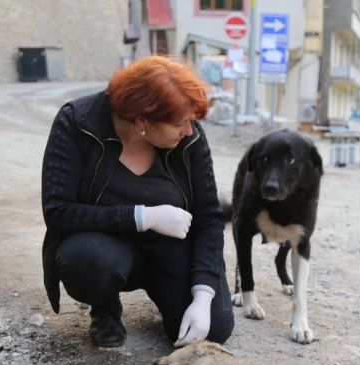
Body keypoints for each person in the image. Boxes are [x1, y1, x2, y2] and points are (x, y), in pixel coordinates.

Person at [41, 56, 234, 348]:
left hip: (170, 248)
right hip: (105, 248)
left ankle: (173, 296)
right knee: (86, 261)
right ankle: (105, 305)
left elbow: (208, 216)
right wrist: (144, 217)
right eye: (179, 124)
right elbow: (58, 212)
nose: (188, 132)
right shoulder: (78, 123)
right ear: (142, 122)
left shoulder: (189, 138)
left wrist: (203, 295)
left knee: (215, 331)